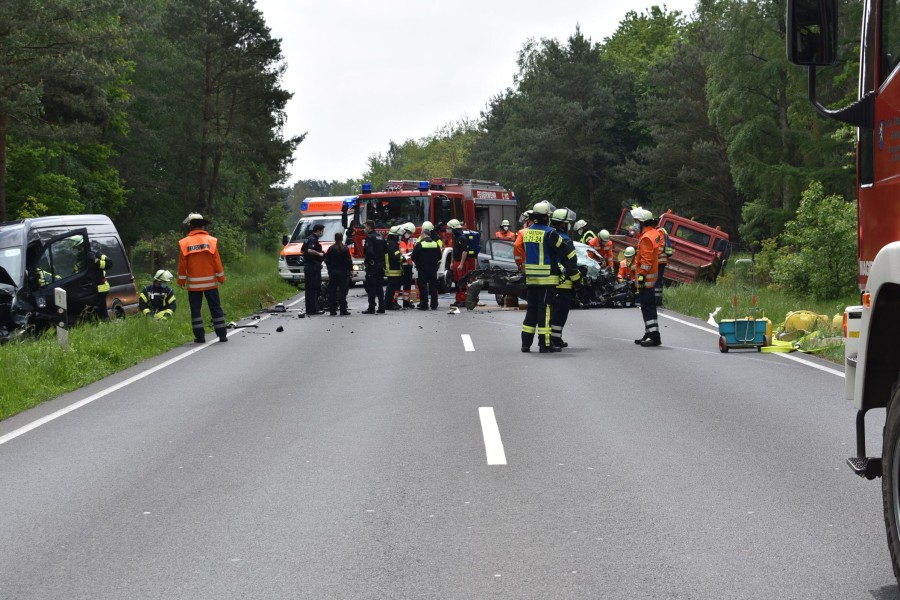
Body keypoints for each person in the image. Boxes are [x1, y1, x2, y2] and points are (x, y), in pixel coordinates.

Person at [520, 201, 580, 353]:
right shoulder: (550, 233)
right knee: (545, 310)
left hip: (531, 278)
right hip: (547, 278)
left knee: (531, 310)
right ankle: (545, 344)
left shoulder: (526, 232)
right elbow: (564, 252)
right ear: (546, 217)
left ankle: (525, 344)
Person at [177, 212, 227, 344]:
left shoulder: (184, 243)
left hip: (194, 286)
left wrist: (181, 280)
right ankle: (222, 335)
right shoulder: (211, 241)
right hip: (211, 283)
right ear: (202, 226)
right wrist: (221, 278)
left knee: (195, 311)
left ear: (191, 226)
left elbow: (183, 265)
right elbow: (216, 261)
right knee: (216, 308)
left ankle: (200, 337)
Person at [549, 208, 579, 349]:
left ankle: (555, 338)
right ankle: (555, 339)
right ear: (562, 224)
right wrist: (578, 281)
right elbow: (571, 264)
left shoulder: (549, 236)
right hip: (564, 283)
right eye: (567, 223)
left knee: (552, 311)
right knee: (560, 312)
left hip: (550, 280)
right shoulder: (565, 240)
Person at [632, 208, 661, 347]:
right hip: (650, 279)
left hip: (646, 280)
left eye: (637, 221)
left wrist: (642, 276)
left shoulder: (646, 237)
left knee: (647, 308)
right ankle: (650, 333)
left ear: (643, 222)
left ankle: (653, 336)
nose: (635, 224)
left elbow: (646, 260)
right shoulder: (652, 233)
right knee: (649, 307)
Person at [411, 220, 441, 310]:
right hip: (433, 268)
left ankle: (424, 305)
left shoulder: (420, 244)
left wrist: (418, 263)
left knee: (423, 286)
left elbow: (413, 256)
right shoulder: (435, 244)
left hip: (423, 268)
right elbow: (439, 256)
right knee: (433, 286)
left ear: (423, 234)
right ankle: (434, 304)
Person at [448, 218, 477, 307]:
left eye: (450, 228)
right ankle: (458, 300)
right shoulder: (455, 237)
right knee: (457, 281)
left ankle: (464, 300)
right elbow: (453, 250)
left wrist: (461, 264)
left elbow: (465, 252)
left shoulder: (462, 238)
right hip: (456, 261)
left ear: (454, 228)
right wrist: (452, 262)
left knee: (462, 281)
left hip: (462, 263)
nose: (449, 230)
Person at [325, 232, 352, 316]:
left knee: (332, 291)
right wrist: (350, 270)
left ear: (335, 238)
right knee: (342, 291)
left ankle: (332, 310)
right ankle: (343, 310)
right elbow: (348, 261)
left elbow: (327, 260)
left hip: (333, 272)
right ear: (342, 239)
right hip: (343, 272)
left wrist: (329, 269)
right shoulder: (345, 249)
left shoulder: (331, 248)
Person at [362, 220, 386, 314]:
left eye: (365, 227)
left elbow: (369, 252)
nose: (365, 229)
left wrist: (367, 262)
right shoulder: (380, 236)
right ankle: (382, 307)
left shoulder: (370, 237)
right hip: (380, 264)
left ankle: (371, 307)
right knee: (379, 287)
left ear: (369, 227)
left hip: (372, 265)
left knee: (371, 287)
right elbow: (386, 250)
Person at [302, 223, 325, 315]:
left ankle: (309, 309)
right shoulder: (313, 239)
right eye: (322, 230)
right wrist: (319, 254)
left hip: (308, 266)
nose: (323, 232)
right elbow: (309, 250)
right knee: (314, 288)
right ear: (318, 230)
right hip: (312, 267)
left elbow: (302, 250)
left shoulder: (308, 238)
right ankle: (314, 309)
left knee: (309, 289)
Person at [384, 226, 404, 310]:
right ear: (395, 235)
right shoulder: (393, 244)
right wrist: (404, 258)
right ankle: (388, 304)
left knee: (392, 287)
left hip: (391, 268)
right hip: (393, 268)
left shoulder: (389, 242)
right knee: (391, 287)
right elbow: (395, 256)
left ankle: (390, 303)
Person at [398, 222, 416, 308]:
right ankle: (394, 301)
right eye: (408, 232)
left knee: (408, 285)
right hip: (401, 265)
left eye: (410, 233)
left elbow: (411, 251)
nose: (409, 234)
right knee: (397, 285)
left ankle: (406, 301)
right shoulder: (399, 241)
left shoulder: (409, 241)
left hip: (408, 266)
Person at [655, 222, 672, 306]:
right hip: (661, 260)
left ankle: (657, 300)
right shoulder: (661, 230)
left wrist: (653, 255)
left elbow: (661, 246)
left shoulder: (659, 231)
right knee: (658, 280)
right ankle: (657, 299)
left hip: (659, 260)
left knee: (657, 280)